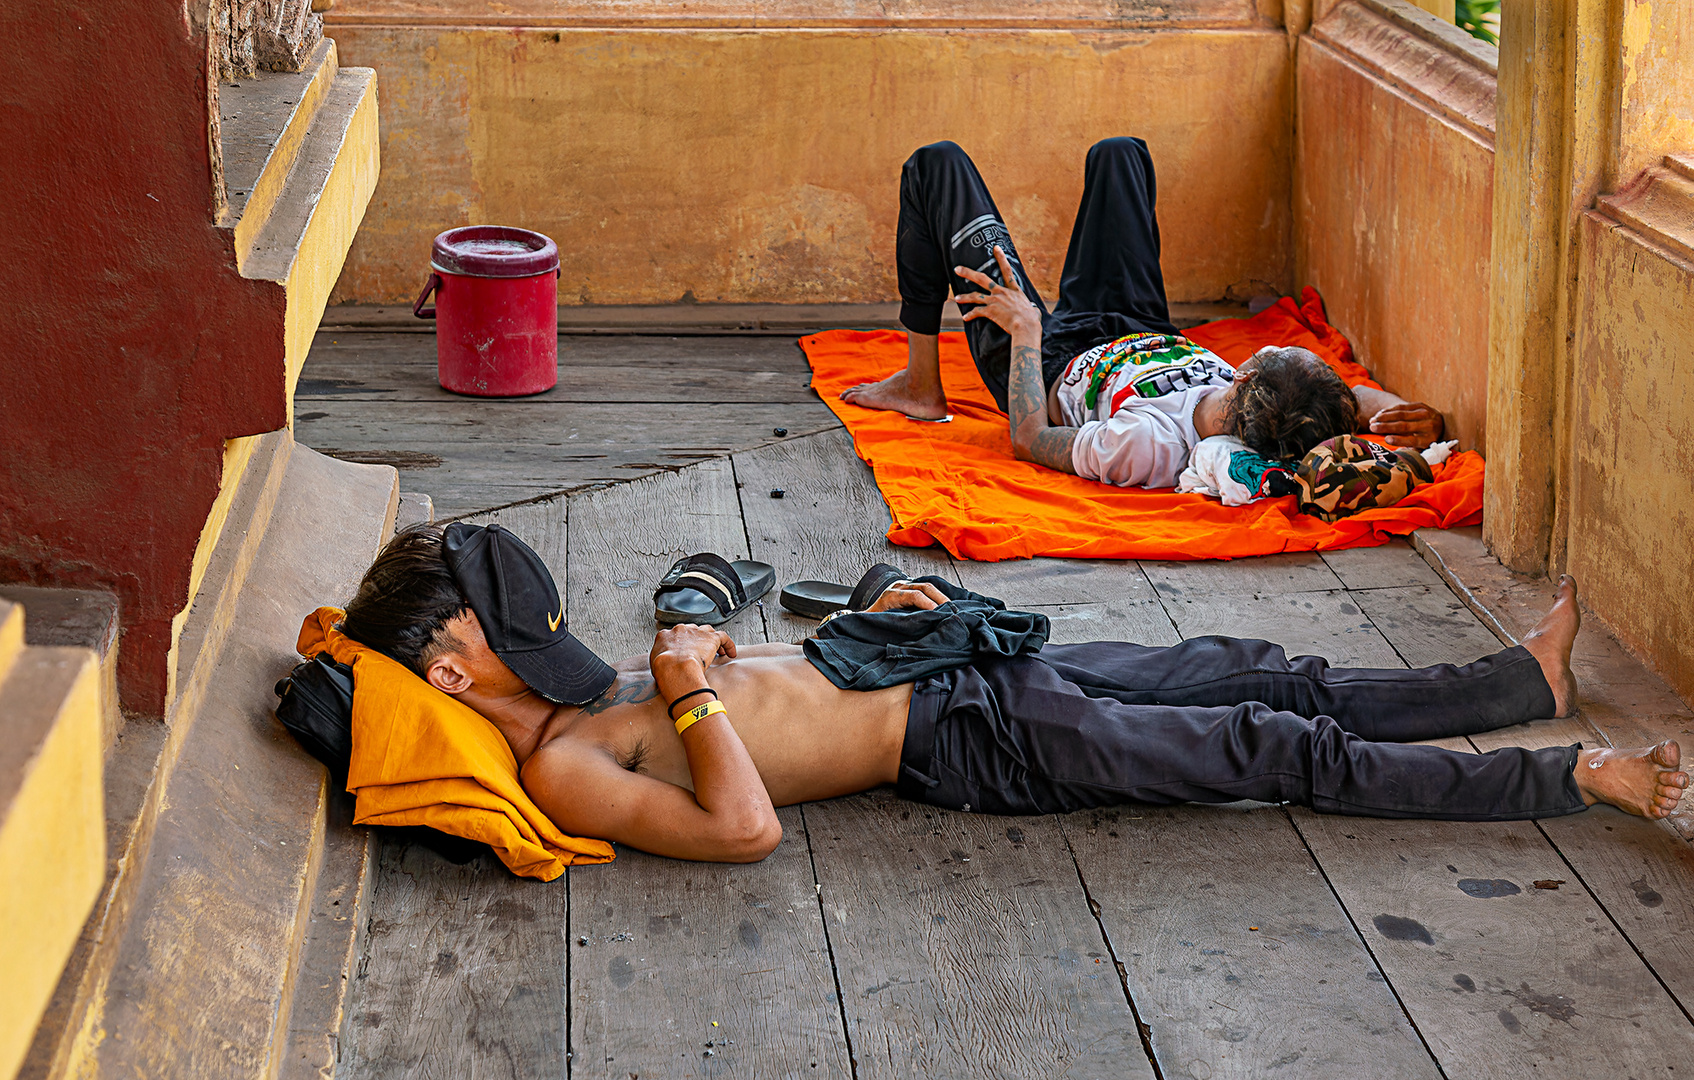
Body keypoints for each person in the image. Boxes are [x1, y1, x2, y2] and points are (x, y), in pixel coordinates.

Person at [332, 523, 1688, 864]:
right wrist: (687, 698)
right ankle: (1572, 777)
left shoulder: (578, 691)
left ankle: (1514, 679)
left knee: (1251, 669)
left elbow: (753, 692)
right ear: (453, 672)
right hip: (963, 740)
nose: (542, 637)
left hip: (932, 669)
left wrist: (859, 626)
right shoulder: (566, 769)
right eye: (506, 630)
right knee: (1266, 746)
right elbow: (743, 829)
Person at [839, 139, 1447, 486]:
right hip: (1142, 328)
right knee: (1120, 155)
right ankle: (934, 376)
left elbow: (1029, 440)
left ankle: (922, 386)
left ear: (1244, 379)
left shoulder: (1149, 443)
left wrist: (1025, 328)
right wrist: (1395, 414)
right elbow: (1349, 402)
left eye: (1278, 353)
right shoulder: (1278, 407)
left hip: (1043, 363)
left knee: (937, 165)